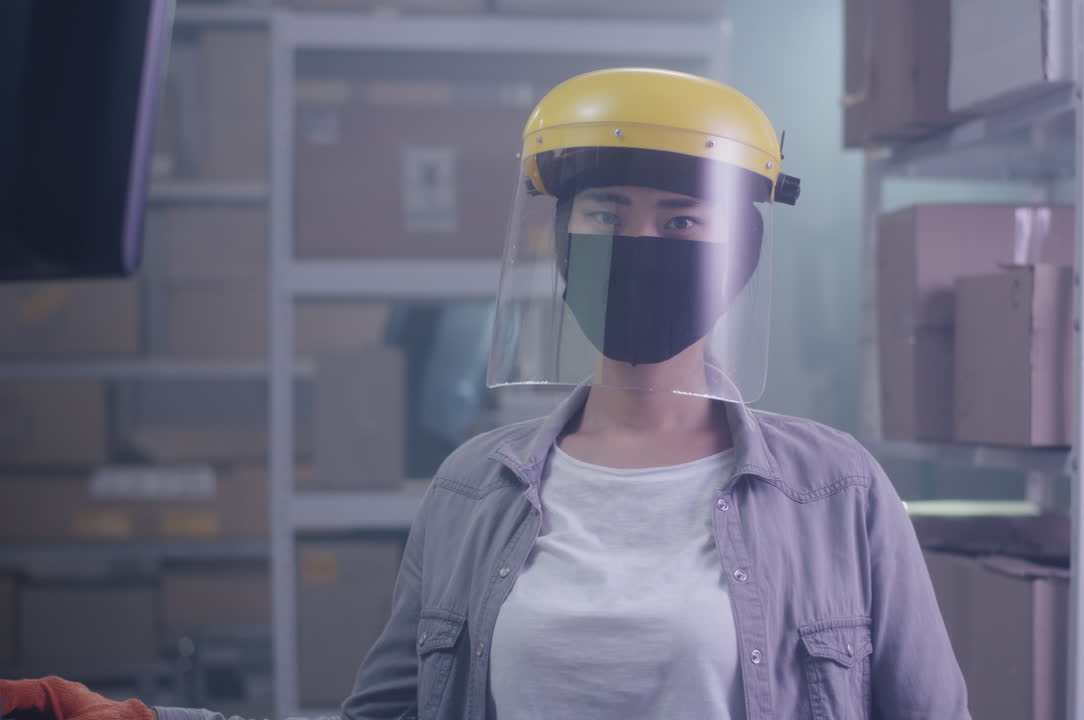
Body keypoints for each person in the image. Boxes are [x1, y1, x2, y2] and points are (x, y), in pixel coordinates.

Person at [0, 67, 969, 720]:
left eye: (682, 220)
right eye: (605, 214)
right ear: (560, 239)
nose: (640, 247)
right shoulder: (476, 490)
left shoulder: (834, 492)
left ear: (741, 251)